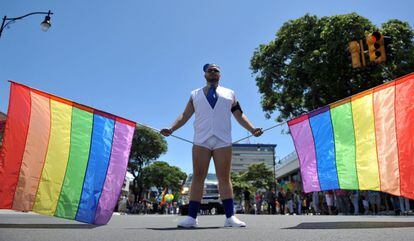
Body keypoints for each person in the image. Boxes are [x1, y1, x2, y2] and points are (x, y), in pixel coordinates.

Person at [160, 63, 263, 228]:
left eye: (216, 70)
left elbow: (239, 114)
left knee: (224, 177)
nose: (213, 72)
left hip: (223, 139)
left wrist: (252, 129)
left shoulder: (230, 94)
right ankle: (192, 218)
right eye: (210, 70)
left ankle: (230, 217)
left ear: (220, 75)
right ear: (205, 74)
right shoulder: (195, 94)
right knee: (198, 177)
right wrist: (171, 128)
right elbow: (185, 115)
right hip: (201, 139)